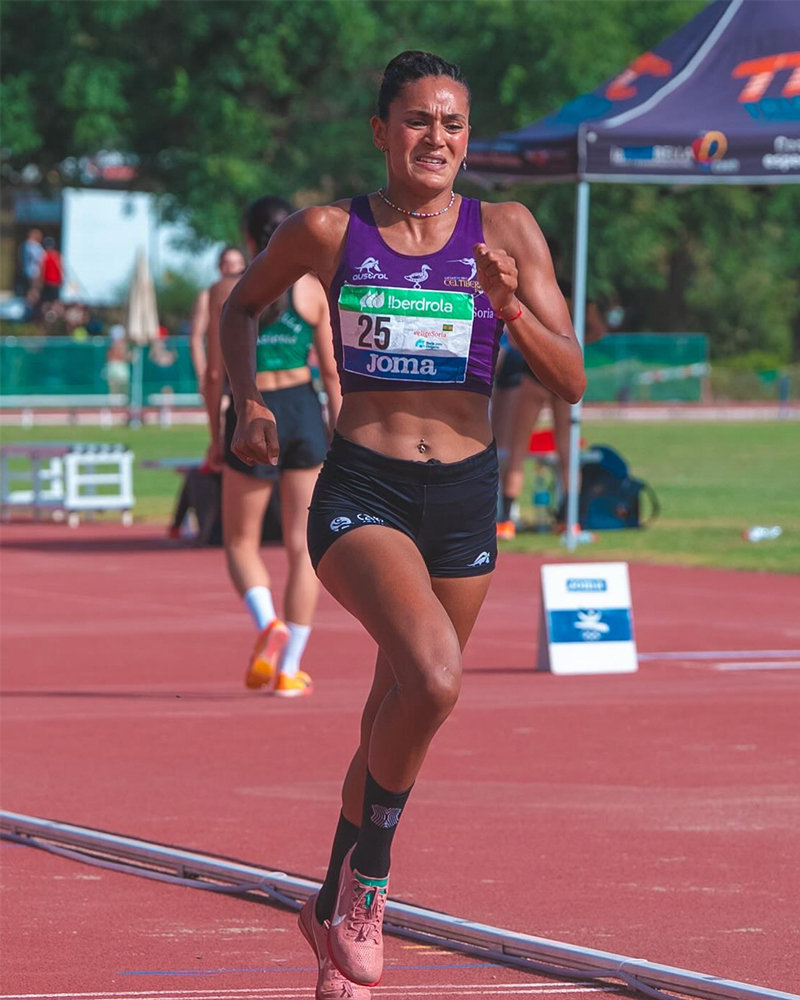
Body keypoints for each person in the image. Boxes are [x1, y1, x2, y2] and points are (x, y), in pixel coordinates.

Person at [220, 51, 584, 999]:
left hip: (463, 498)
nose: (436, 138)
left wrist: (508, 305)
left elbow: (572, 378)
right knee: (433, 676)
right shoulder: (329, 231)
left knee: (398, 710)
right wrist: (244, 405)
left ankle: (327, 913)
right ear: (381, 131)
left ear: (468, 138)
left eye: (453, 123)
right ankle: (370, 884)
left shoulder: (507, 228)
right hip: (364, 490)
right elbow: (241, 307)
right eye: (418, 120)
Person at [206, 196, 341, 699]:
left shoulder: (229, 290)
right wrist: (340, 433)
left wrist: (215, 432)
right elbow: (332, 372)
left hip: (253, 408)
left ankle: (267, 622)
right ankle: (290, 668)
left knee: (241, 542)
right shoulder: (312, 289)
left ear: (247, 238)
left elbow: (215, 374)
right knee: (303, 547)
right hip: (302, 409)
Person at [494, 243, 606, 539]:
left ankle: (506, 519)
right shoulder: (574, 290)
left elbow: (514, 331)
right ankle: (570, 520)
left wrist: (534, 348)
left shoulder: (529, 288)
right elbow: (598, 329)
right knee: (567, 447)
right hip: (565, 370)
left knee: (519, 447)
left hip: (535, 374)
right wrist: (574, 342)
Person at [190, 246, 247, 397]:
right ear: (220, 267)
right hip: (220, 368)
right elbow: (196, 338)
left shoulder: (251, 293)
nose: (232, 267)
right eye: (227, 263)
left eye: (237, 263)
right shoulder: (207, 296)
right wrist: (202, 374)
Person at [38, 237, 64, 305]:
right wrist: (61, 280)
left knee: (46, 300)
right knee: (54, 300)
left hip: (48, 282)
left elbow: (42, 269)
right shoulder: (57, 255)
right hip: (55, 282)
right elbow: (61, 268)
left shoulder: (44, 255)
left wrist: (41, 281)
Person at [19, 228, 44, 299]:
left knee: (31, 289)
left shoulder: (25, 245)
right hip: (33, 272)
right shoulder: (31, 245)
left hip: (29, 270)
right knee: (34, 289)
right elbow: (38, 258)